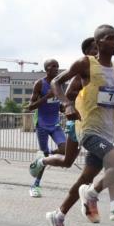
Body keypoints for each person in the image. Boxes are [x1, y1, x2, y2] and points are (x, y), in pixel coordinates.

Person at [45, 25, 114, 226]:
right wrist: (66, 104)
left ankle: (58, 215)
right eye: (111, 39)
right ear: (99, 42)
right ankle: (92, 194)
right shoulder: (86, 64)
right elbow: (57, 82)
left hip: (107, 132)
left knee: (85, 178)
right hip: (89, 130)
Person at [26, 59, 66, 197]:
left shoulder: (59, 84)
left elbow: (59, 104)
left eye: (58, 66)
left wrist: (64, 107)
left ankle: (43, 158)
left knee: (64, 149)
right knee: (45, 154)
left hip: (55, 123)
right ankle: (35, 185)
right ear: (46, 69)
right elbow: (30, 107)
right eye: (53, 66)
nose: (56, 69)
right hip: (42, 124)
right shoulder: (40, 83)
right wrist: (46, 97)